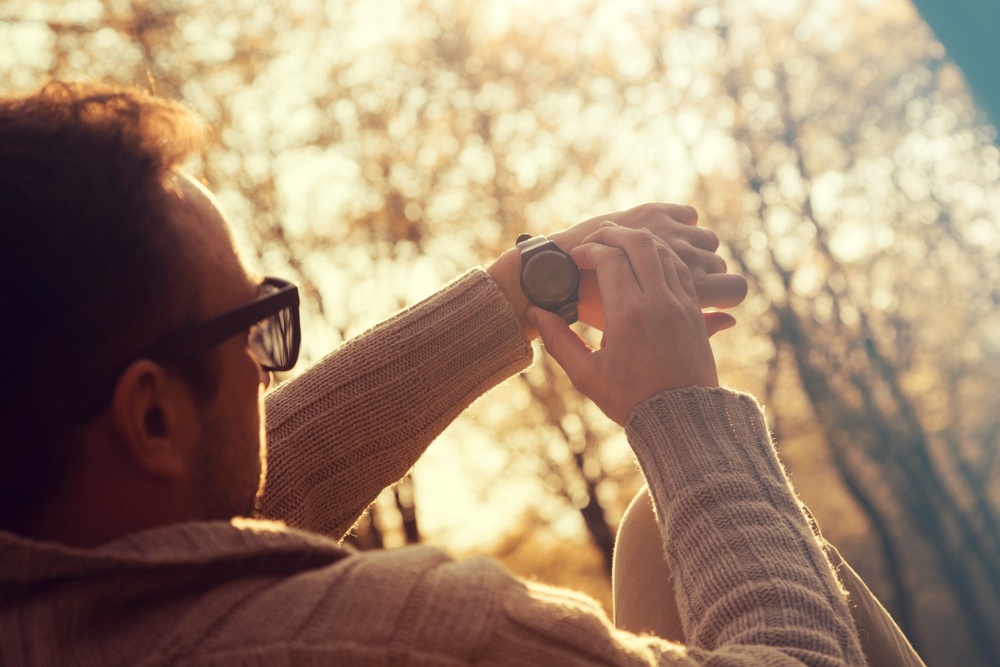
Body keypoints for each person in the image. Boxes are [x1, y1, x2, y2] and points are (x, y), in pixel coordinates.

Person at [0, 81, 921, 666]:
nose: (267, 374)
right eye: (256, 323)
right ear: (152, 419)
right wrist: (687, 416)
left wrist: (508, 296)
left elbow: (238, 499)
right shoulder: (405, 637)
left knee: (651, 536)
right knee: (672, 526)